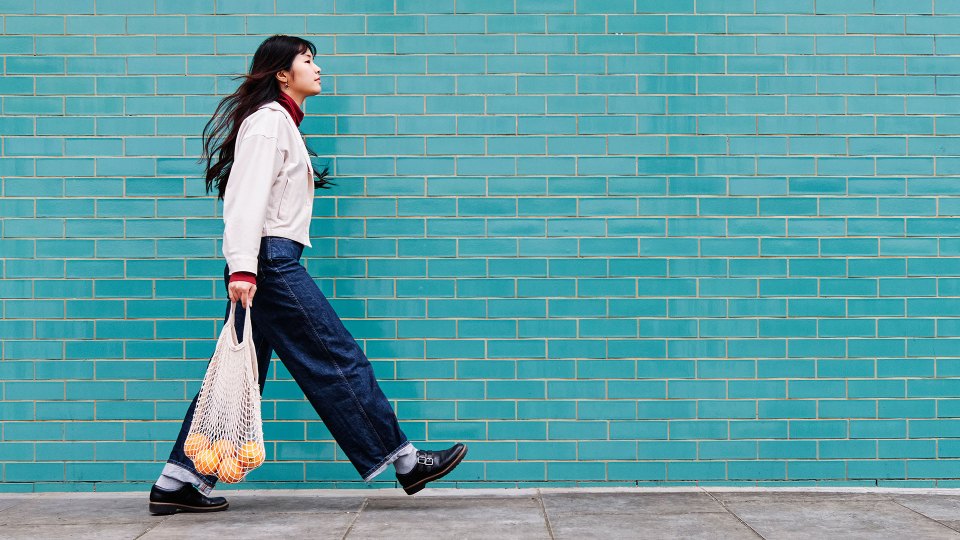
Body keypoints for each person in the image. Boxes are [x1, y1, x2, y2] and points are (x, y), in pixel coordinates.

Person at [148, 34, 467, 515]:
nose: (317, 69)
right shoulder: (268, 123)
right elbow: (244, 201)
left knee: (239, 376)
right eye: (308, 61)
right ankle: (405, 461)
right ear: (283, 73)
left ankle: (178, 482)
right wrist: (243, 269)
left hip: (269, 262)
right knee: (337, 356)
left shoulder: (282, 125)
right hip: (268, 264)